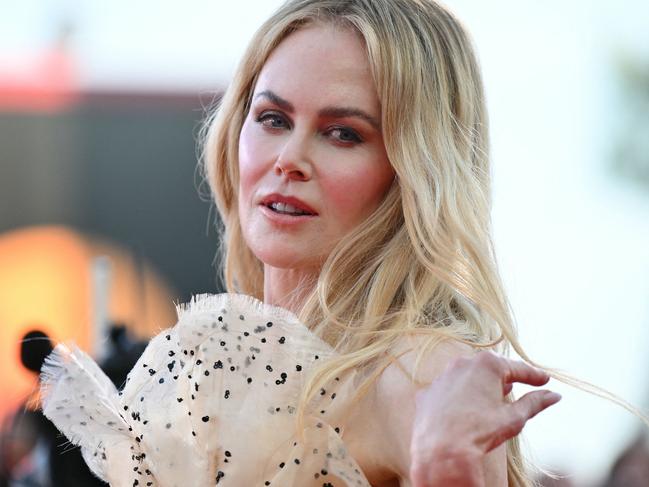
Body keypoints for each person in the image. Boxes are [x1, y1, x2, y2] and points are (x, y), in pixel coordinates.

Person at [40, 1, 560, 486]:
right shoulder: (212, 358)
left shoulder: (423, 371)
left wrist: (447, 472)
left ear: (414, 169)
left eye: (343, 133)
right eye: (273, 119)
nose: (289, 158)